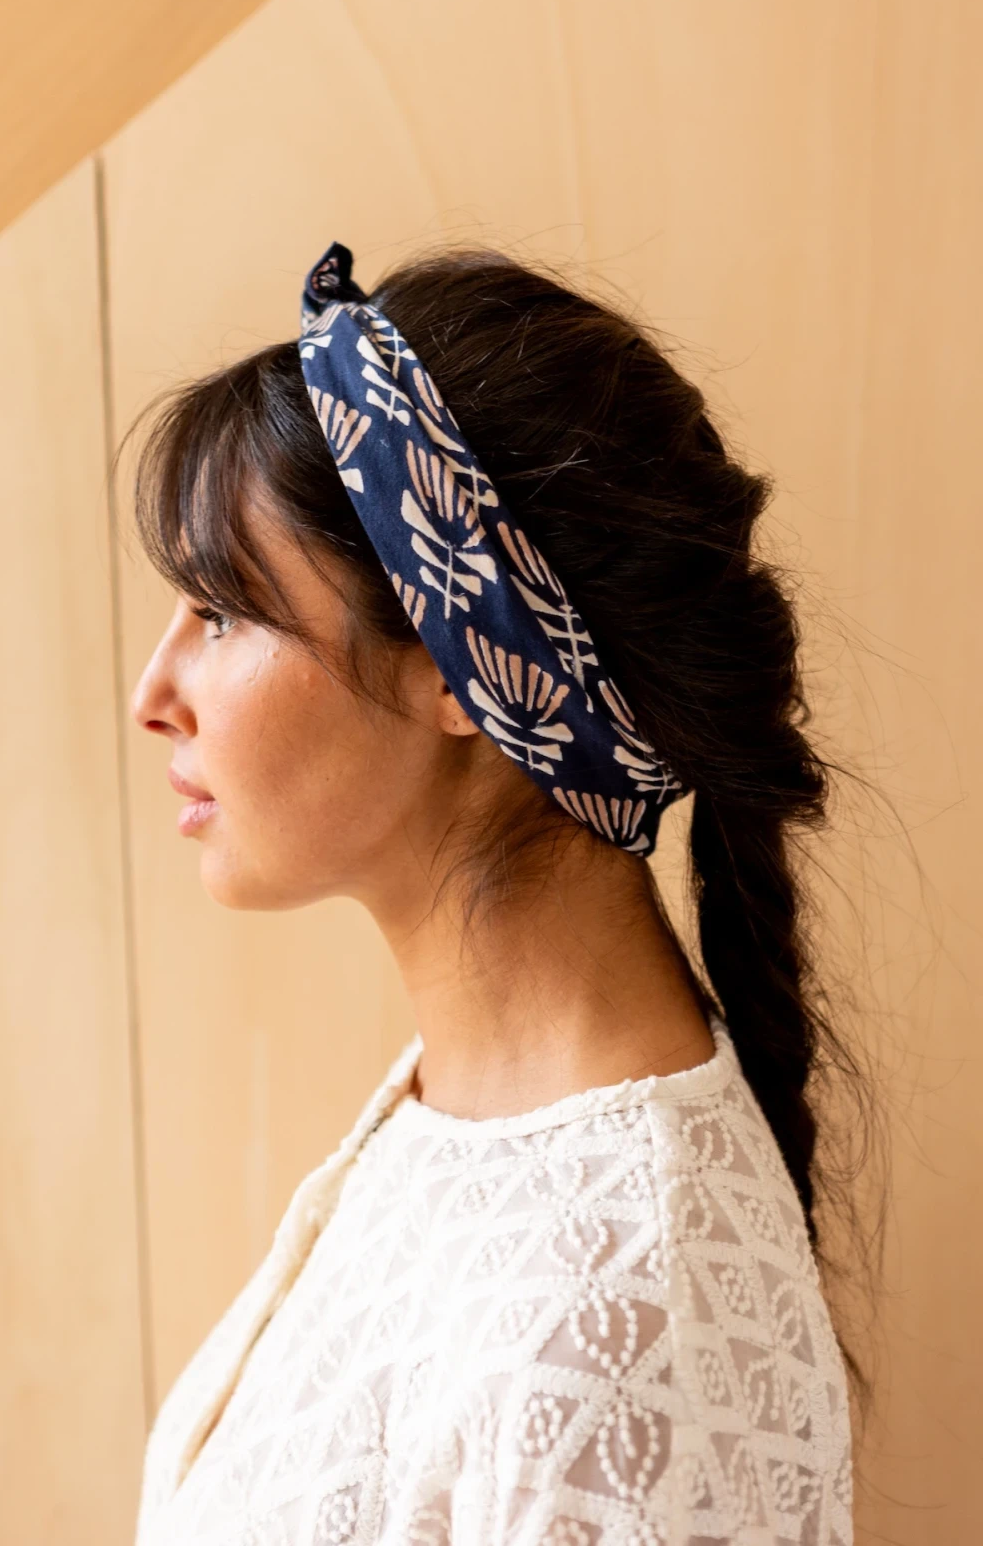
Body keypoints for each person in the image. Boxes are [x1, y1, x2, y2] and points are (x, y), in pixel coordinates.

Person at [126, 242, 856, 1545]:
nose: (153, 693)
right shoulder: (457, 1118)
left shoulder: (629, 1316)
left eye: (222, 612)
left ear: (463, 661)